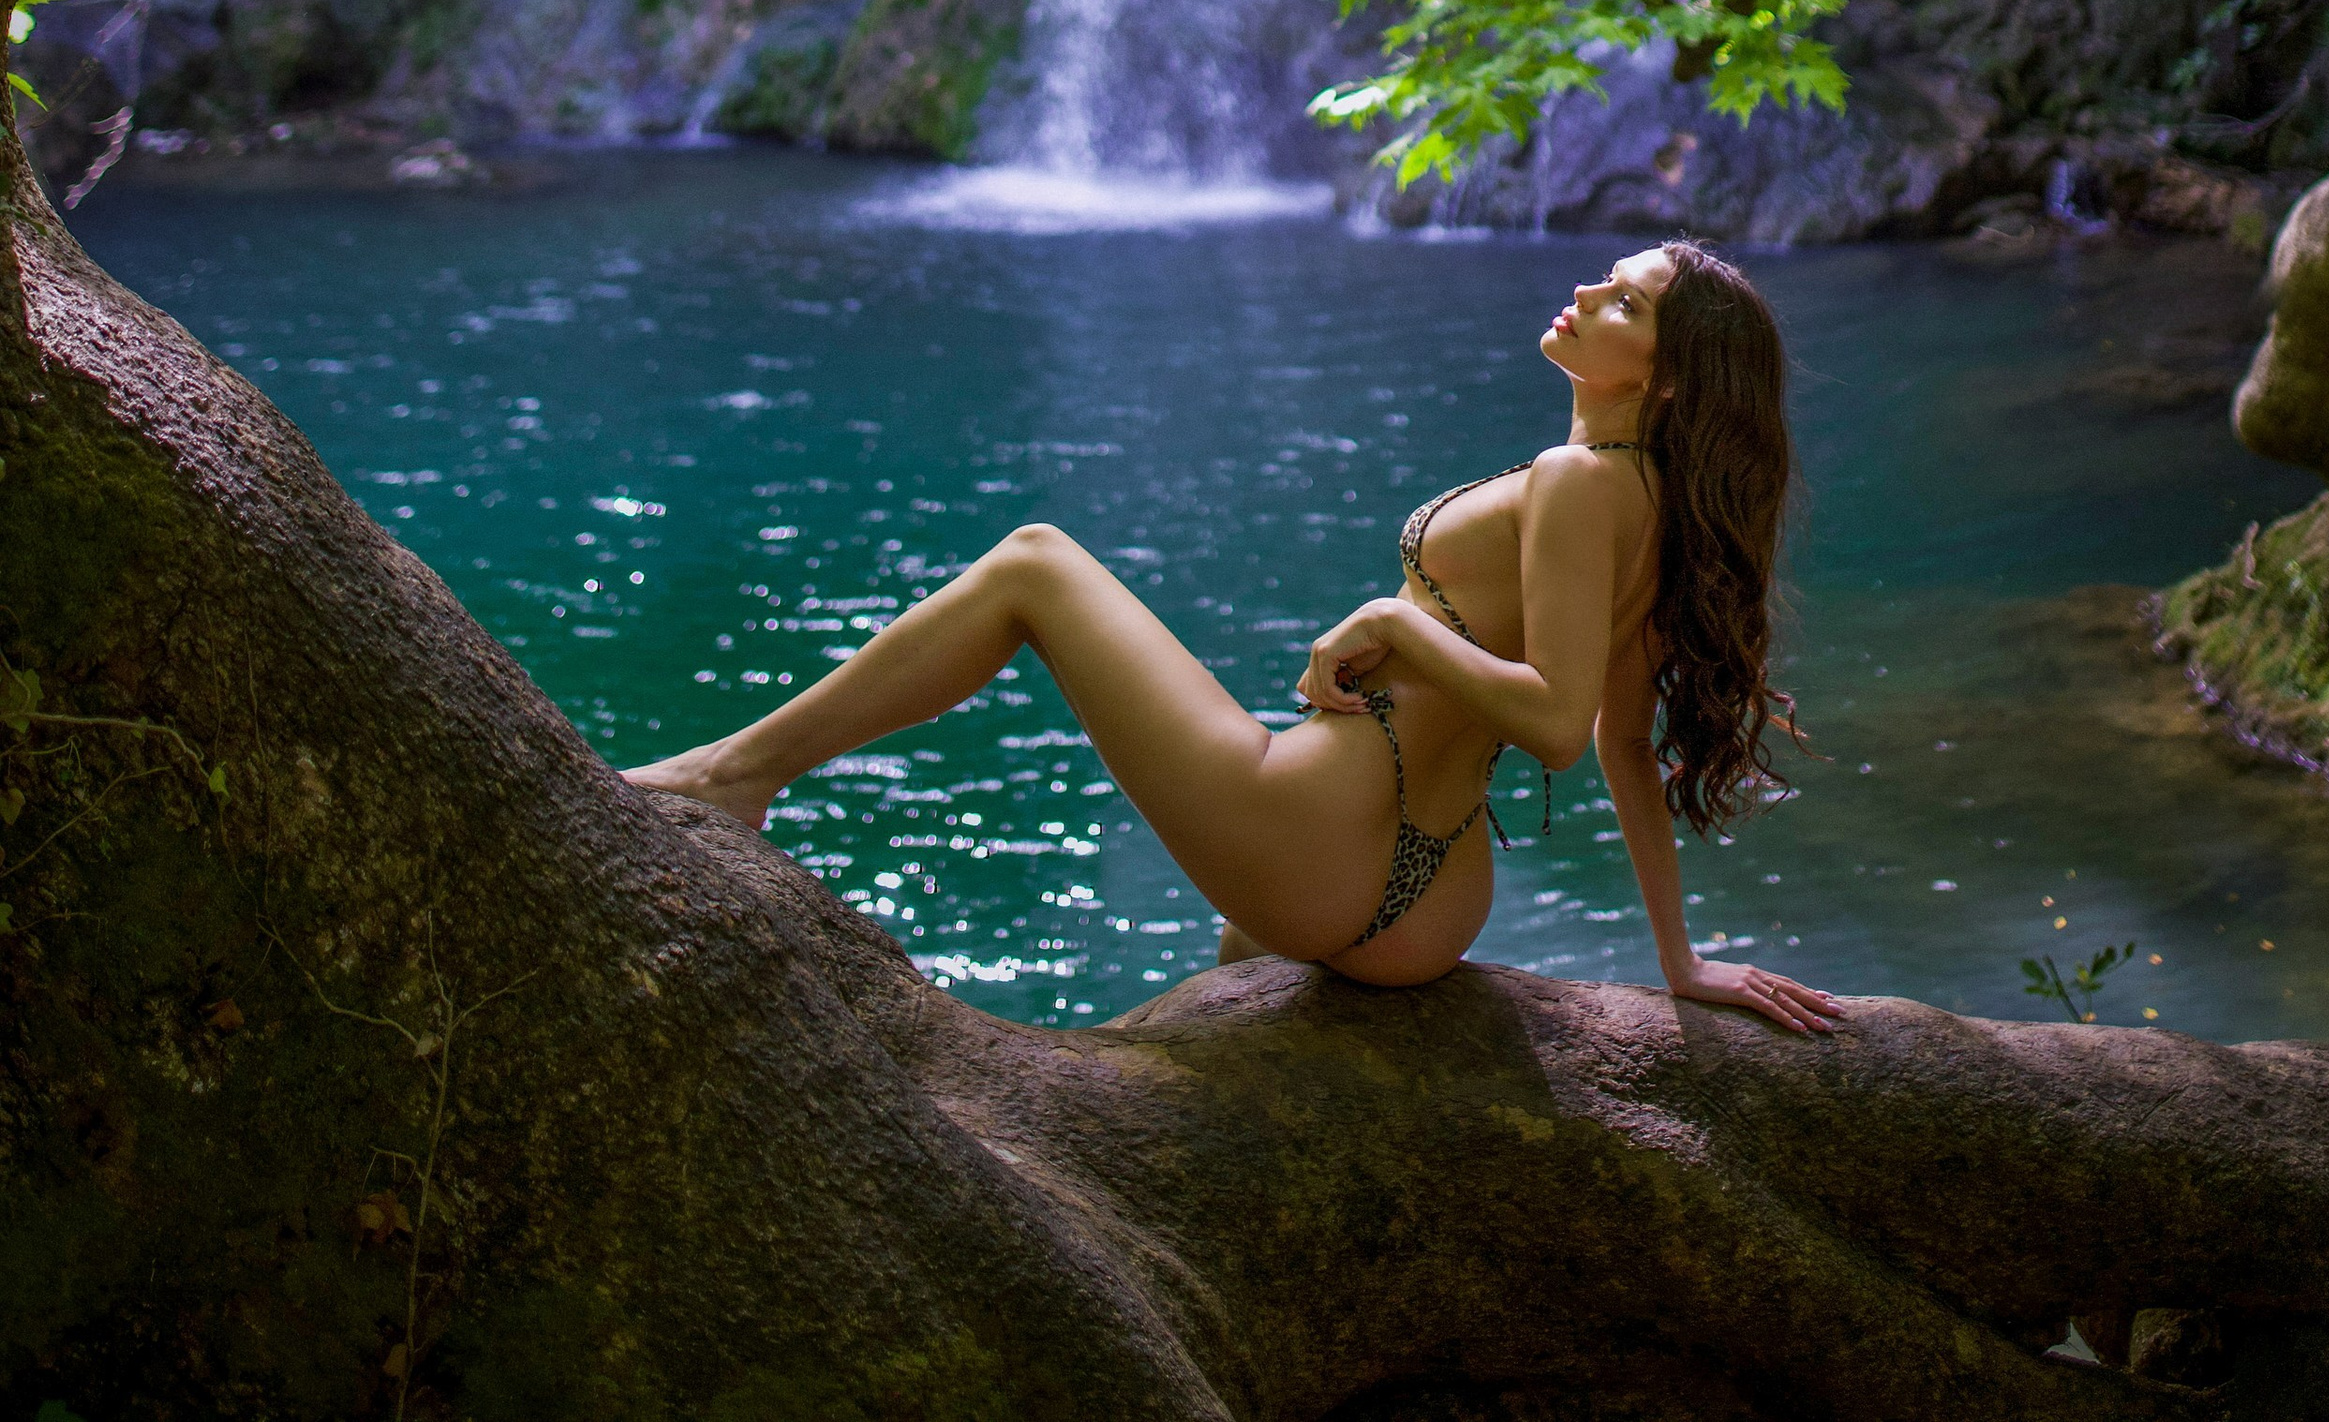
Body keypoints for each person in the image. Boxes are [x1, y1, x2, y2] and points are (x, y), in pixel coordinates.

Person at [625, 238, 1846, 1029]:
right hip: (1428, 902)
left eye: (1622, 301)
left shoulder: (1581, 484)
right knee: (1219, 1002)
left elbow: (1557, 729)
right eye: (1604, 277)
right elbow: (1626, 741)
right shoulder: (1639, 501)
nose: (1583, 295)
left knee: (1036, 567)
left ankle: (736, 776)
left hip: (1326, 837)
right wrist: (1681, 965)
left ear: (1667, 377)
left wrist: (1391, 623)